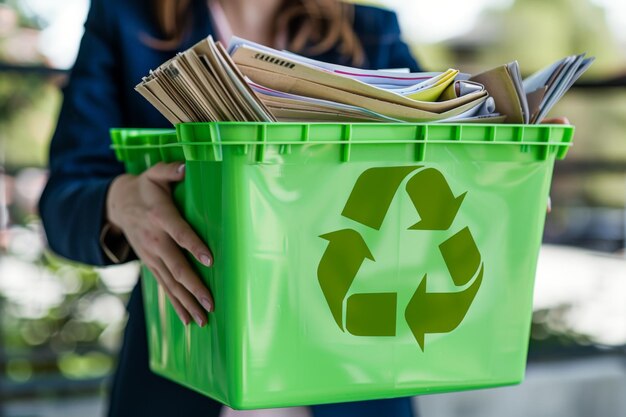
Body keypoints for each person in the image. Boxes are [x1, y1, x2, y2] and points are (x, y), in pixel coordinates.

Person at [38, 0, 421, 416]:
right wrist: (118, 199)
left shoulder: (371, 32)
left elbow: (433, 167)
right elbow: (64, 199)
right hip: (184, 357)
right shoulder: (124, 18)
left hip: (353, 368)